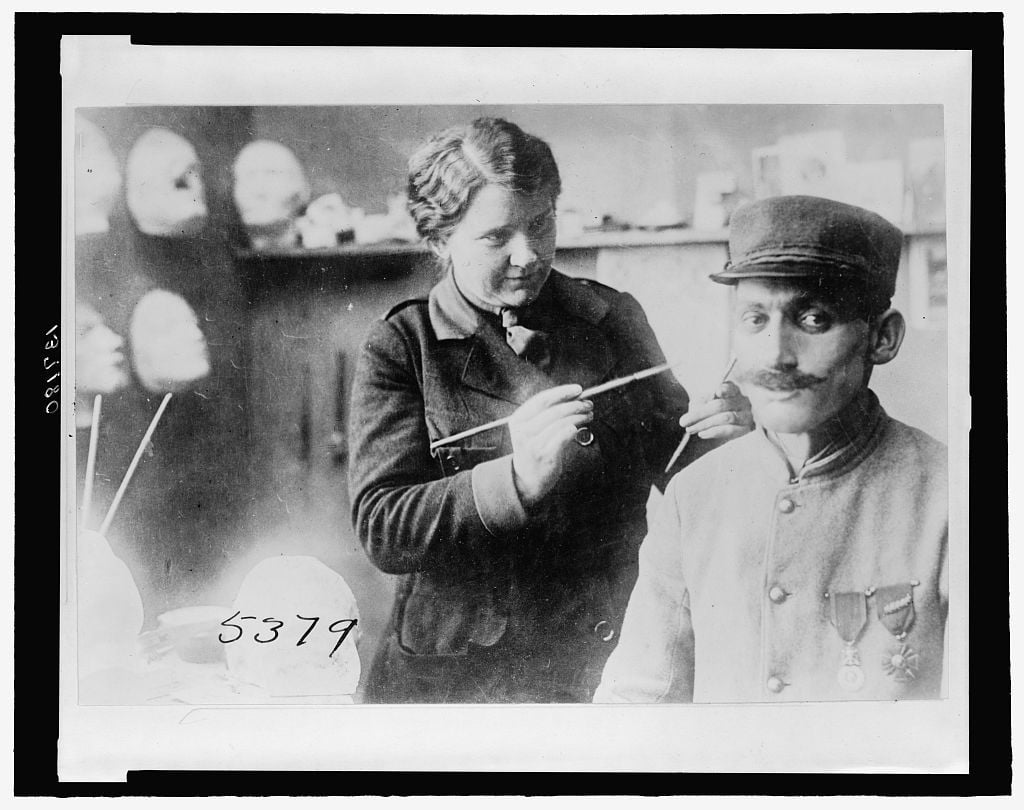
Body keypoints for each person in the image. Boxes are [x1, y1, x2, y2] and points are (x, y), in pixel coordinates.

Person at [347, 117, 752, 703]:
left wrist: (725, 443)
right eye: (496, 238)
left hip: (603, 653)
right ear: (440, 240)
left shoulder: (612, 319)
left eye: (541, 223)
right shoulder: (403, 345)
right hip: (462, 678)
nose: (528, 254)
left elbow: (681, 465)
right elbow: (383, 527)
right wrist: (513, 479)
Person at [594, 195, 948, 703]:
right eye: (756, 319)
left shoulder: (952, 496)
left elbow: (976, 737)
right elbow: (635, 705)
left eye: (813, 319)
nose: (777, 356)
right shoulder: (693, 497)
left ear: (883, 338)